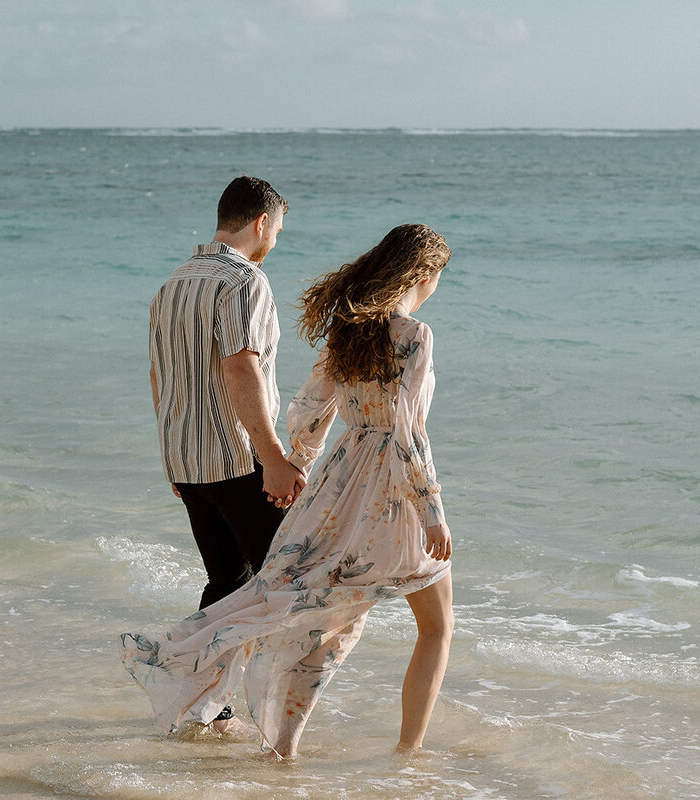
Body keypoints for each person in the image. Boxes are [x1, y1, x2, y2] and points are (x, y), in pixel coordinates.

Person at [123, 223, 454, 759]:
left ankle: (282, 745)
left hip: (339, 484)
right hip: (393, 491)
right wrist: (432, 510)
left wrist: (297, 468)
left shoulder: (345, 336)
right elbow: (407, 432)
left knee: (322, 617)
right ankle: (407, 753)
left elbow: (307, 412)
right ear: (425, 273)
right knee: (436, 628)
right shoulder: (414, 336)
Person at [147, 176, 306, 731]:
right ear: (262, 222)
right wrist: (274, 457)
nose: (276, 241)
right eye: (278, 230)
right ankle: (267, 710)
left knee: (228, 585)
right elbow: (240, 367)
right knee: (287, 584)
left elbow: (159, 376)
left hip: (188, 463)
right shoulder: (246, 282)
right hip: (236, 463)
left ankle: (203, 703)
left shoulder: (173, 282)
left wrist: (173, 455)